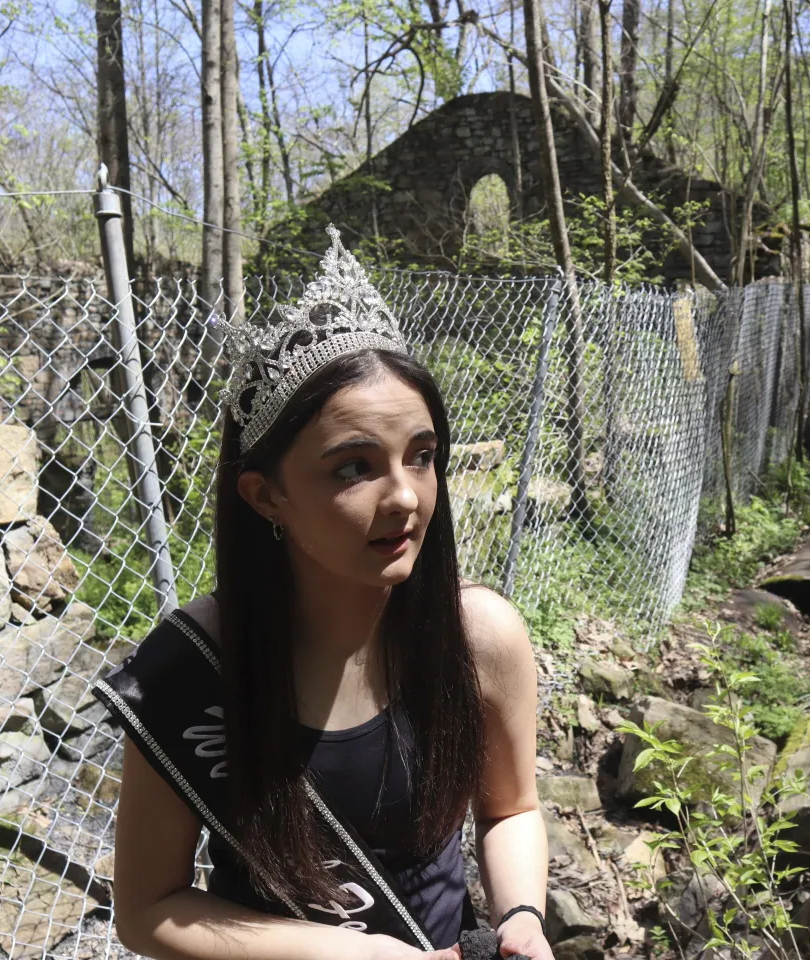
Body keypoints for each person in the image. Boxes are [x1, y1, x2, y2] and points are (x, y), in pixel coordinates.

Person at [93, 227, 553, 960]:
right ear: (266, 493)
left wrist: (522, 917)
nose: (405, 496)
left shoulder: (480, 639)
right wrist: (352, 953)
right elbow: (148, 910)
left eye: (423, 456)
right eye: (353, 468)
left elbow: (512, 809)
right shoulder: (192, 666)